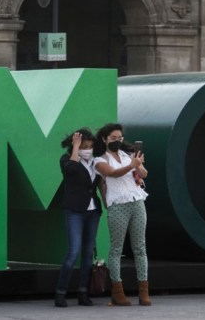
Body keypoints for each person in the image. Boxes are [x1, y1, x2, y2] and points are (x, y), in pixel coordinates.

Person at [93, 123, 151, 306]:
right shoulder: (100, 160)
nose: (117, 141)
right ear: (104, 139)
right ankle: (118, 292)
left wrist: (138, 165)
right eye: (113, 138)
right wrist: (131, 166)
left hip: (137, 201)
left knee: (140, 247)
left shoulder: (128, 155)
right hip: (117, 204)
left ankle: (144, 291)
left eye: (120, 138)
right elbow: (113, 174)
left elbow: (144, 174)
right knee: (117, 249)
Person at [54, 128, 104, 307]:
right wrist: (75, 147)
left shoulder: (96, 162)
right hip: (75, 210)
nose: (87, 149)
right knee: (73, 251)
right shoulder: (67, 160)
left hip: (93, 211)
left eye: (90, 146)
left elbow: (100, 184)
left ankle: (83, 292)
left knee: (88, 252)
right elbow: (72, 170)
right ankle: (60, 292)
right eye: (83, 146)